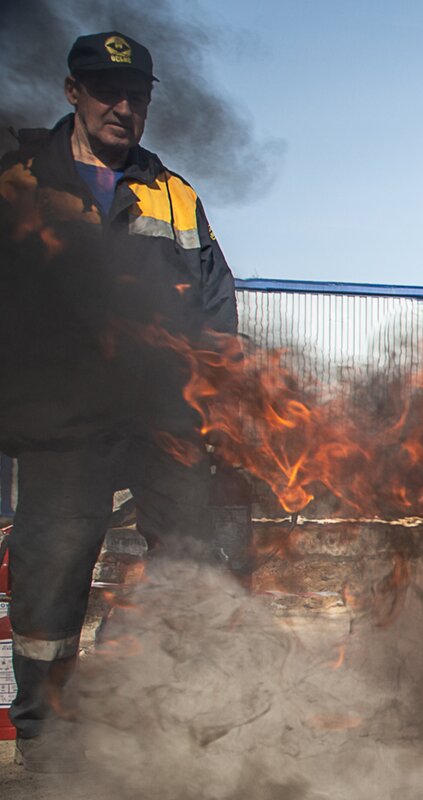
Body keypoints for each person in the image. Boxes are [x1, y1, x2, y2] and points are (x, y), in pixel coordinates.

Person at [0, 32, 238, 773]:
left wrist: (215, 398)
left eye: (136, 94)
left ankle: (168, 723)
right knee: (51, 571)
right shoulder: (19, 183)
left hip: (161, 417)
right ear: (73, 91)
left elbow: (214, 309)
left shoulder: (175, 194)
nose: (122, 105)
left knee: (194, 562)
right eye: (106, 90)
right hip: (60, 422)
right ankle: (46, 734)